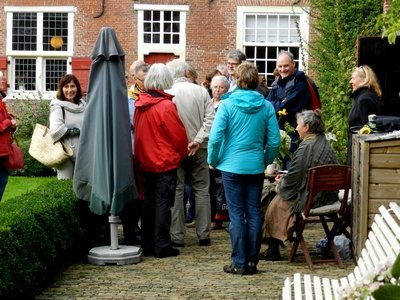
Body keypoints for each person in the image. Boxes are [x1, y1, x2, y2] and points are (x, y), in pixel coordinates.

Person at [208, 62, 280, 275]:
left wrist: (213, 159)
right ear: (256, 80)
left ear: (237, 81)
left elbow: (215, 137)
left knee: (237, 215)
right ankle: (252, 261)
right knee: (254, 213)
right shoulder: (266, 106)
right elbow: (274, 140)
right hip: (255, 166)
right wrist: (265, 159)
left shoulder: (227, 105)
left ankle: (239, 262)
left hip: (231, 166)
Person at [260, 109, 338, 261]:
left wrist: (280, 182)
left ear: (307, 127)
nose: (296, 129)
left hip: (312, 199)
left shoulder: (306, 148)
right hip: (328, 195)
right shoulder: (324, 142)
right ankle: (272, 245)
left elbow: (294, 180)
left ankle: (272, 246)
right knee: (272, 195)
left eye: (298, 125)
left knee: (270, 197)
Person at [134, 63, 188, 258]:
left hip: (145, 160)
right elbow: (179, 136)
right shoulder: (165, 106)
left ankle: (148, 243)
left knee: (148, 203)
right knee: (164, 204)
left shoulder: (140, 104)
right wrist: (180, 154)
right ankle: (161, 245)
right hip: (164, 162)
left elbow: (138, 133)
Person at [166, 59, 215, 247]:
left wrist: (182, 143)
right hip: (199, 148)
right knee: (202, 190)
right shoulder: (201, 91)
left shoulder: (168, 94)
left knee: (177, 191)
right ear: (187, 73)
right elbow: (210, 120)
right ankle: (204, 234)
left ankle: (177, 236)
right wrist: (197, 140)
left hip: (176, 150)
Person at [120, 60, 150, 246]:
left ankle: (136, 228)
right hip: (133, 151)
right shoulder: (131, 97)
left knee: (142, 194)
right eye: (143, 79)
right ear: (135, 79)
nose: (146, 83)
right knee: (133, 194)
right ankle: (130, 230)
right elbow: (136, 123)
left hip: (146, 152)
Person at [266, 50, 312, 168]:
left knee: (292, 169)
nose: (282, 69)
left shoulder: (300, 84)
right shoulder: (277, 83)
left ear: (293, 65)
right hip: (280, 134)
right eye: (280, 66)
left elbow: (285, 107)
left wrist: (278, 104)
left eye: (286, 66)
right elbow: (267, 104)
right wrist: (279, 103)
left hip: (296, 136)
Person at [49, 74, 86, 179]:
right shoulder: (58, 107)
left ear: (77, 88)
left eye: (72, 86)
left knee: (84, 187)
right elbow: (55, 131)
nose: (69, 90)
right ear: (61, 89)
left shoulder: (84, 105)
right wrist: (78, 131)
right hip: (66, 155)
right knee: (66, 186)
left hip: (84, 153)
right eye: (66, 86)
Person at [347, 65, 384, 165]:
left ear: (364, 80)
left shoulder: (364, 100)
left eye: (353, 78)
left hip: (360, 157)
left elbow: (369, 132)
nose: (350, 81)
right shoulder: (365, 97)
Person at [209, 75, 230, 230]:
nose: (217, 90)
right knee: (211, 185)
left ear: (226, 89)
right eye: (215, 86)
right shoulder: (208, 103)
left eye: (220, 87)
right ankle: (213, 215)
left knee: (221, 184)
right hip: (209, 145)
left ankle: (220, 216)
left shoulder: (226, 105)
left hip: (222, 147)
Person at [0, 71, 18, 200]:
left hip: (2, 152)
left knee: (2, 181)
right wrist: (8, 122)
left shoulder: (1, 100)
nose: (2, 83)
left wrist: (11, 121)